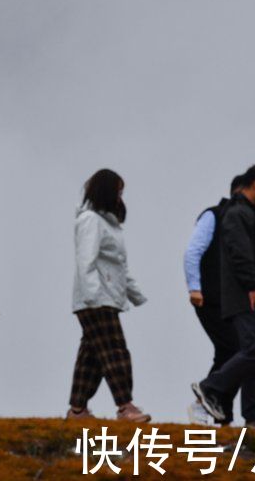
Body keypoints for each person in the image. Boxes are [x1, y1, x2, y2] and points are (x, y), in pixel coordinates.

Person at [191, 164, 255, 428]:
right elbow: (239, 254)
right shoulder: (237, 214)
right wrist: (253, 287)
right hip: (248, 298)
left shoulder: (251, 215)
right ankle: (210, 387)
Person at [67, 169, 151, 423]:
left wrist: (136, 295)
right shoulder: (90, 221)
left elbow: (119, 267)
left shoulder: (110, 225)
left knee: (92, 357)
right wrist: (94, 297)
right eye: (117, 191)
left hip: (107, 298)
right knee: (115, 351)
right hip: (95, 300)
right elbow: (86, 261)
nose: (120, 196)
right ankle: (125, 407)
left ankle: (77, 411)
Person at [183, 174, 244, 425]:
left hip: (232, 302)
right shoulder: (214, 216)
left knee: (232, 352)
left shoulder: (243, 224)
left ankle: (222, 414)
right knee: (236, 349)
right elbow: (192, 252)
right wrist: (194, 288)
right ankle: (204, 401)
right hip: (209, 298)